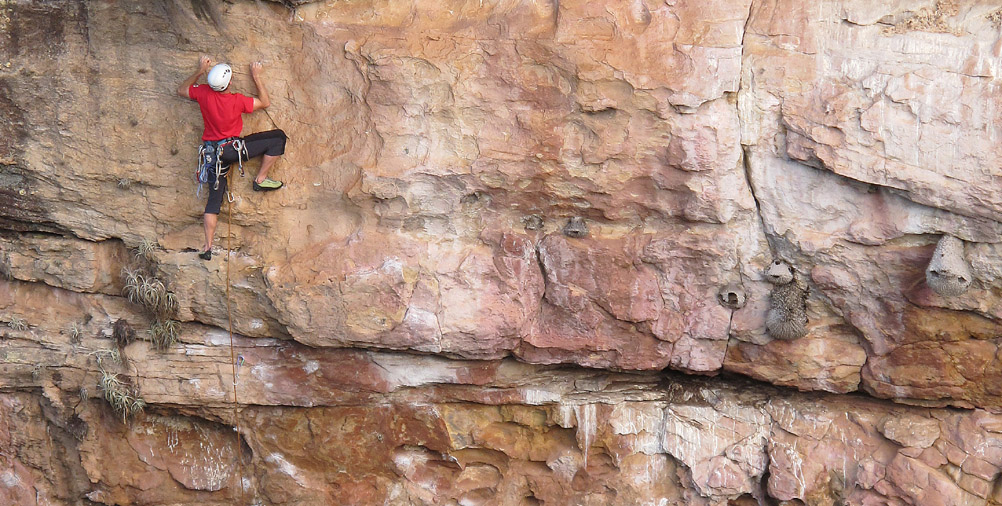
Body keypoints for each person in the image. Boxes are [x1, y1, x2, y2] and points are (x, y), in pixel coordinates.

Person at [177, 55, 288, 260]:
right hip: (231, 150)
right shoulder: (236, 100)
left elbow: (182, 90)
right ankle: (261, 179)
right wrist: (256, 76)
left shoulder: (202, 93)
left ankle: (207, 247)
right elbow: (265, 102)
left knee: (213, 201)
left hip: (212, 156)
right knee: (278, 138)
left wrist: (200, 70)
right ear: (229, 82)